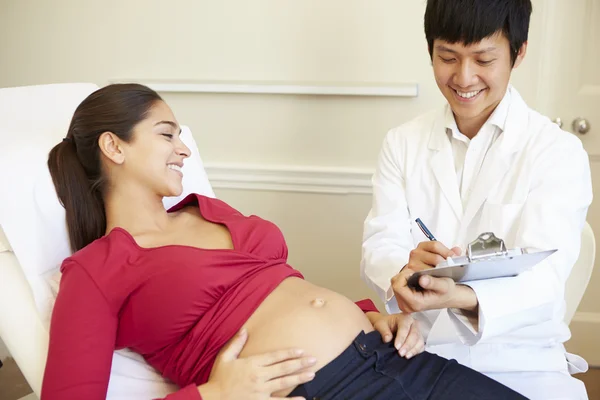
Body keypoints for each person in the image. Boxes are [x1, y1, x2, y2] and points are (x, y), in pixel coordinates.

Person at [41, 83, 526, 400]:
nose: (184, 148)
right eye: (167, 134)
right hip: (321, 390)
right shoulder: (95, 271)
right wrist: (211, 396)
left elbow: (277, 289)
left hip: (392, 357)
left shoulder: (205, 209)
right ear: (113, 146)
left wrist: (372, 315)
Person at [361, 0, 592, 399]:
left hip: (519, 360)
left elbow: (545, 279)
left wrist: (461, 296)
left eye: (483, 58)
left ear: (518, 53)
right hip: (418, 346)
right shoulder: (402, 143)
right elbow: (380, 244)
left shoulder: (557, 152)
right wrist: (403, 272)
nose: (464, 77)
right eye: (447, 57)